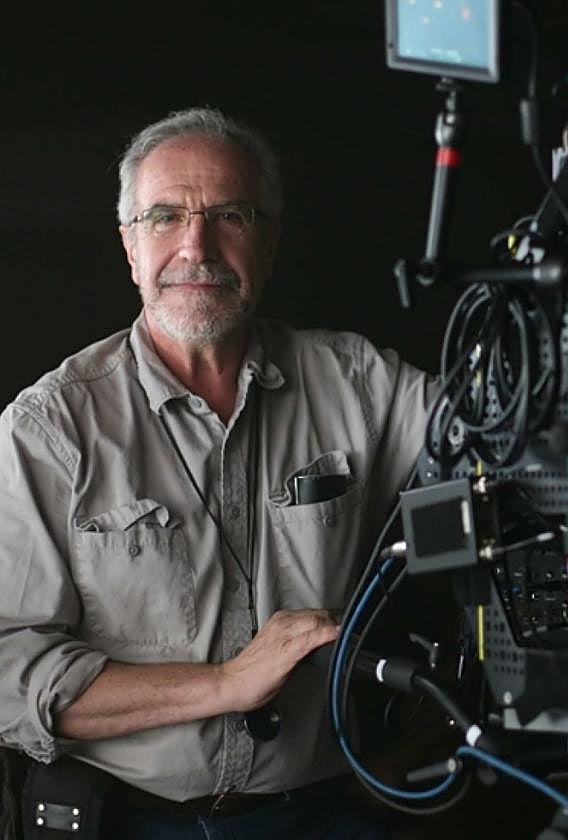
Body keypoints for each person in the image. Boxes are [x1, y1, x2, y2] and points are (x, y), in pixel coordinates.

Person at [0, 107, 432, 838]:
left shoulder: (360, 382)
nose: (195, 247)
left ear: (269, 242)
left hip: (324, 814)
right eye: (164, 217)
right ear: (130, 246)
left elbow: (501, 436)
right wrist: (226, 685)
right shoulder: (50, 428)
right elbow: (8, 673)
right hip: (131, 823)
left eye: (230, 215)